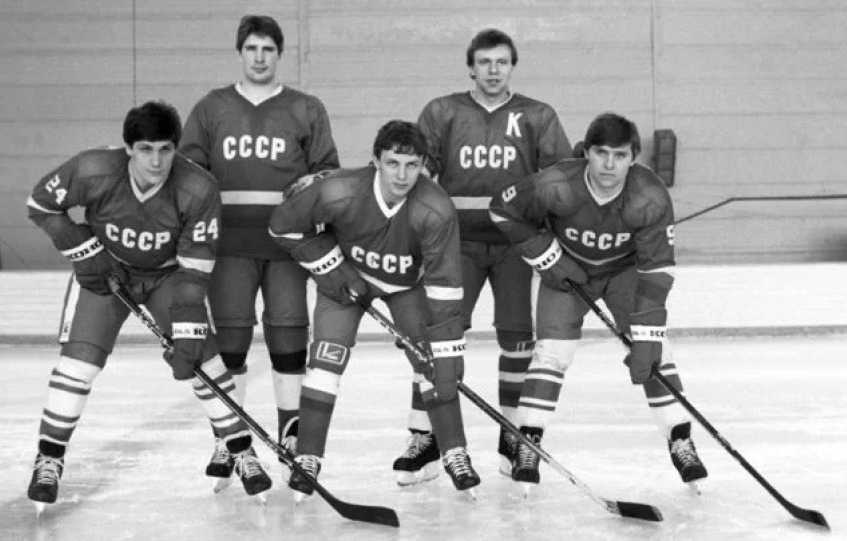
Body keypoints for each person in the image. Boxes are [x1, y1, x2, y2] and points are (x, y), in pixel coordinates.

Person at [24, 100, 272, 513]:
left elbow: (194, 270)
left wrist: (188, 332)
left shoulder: (199, 188)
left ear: (176, 148)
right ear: (128, 148)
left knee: (204, 358)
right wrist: (82, 249)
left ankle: (241, 449)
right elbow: (40, 204)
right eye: (145, 149)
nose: (156, 161)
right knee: (78, 364)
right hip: (106, 272)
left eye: (165, 149)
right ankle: (49, 458)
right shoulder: (92, 169)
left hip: (168, 276)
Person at [488, 112, 708, 491]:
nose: (609, 164)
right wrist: (547, 256)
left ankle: (680, 439)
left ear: (634, 158)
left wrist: (647, 336)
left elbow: (657, 271)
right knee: (551, 353)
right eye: (601, 153)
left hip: (624, 273)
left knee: (656, 351)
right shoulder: (557, 183)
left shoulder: (650, 195)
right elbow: (502, 209)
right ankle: (528, 442)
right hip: (568, 270)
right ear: (585, 152)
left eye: (620, 155)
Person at [268, 120, 480, 499]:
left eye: (412, 165)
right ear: (375, 161)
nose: (401, 175)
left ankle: (454, 451)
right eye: (393, 163)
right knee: (326, 360)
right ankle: (308, 455)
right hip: (346, 279)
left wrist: (448, 350)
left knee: (434, 362)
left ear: (423, 166)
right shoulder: (339, 190)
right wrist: (331, 267)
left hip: (406, 286)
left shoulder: (436, 209)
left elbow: (445, 283)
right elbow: (283, 226)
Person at [398, 28, 572, 484]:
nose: (493, 70)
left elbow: (560, 179)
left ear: (512, 67)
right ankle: (425, 438)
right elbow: (416, 176)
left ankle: (512, 438)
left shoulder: (537, 115)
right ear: (470, 68)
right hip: (456, 246)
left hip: (516, 246)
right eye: (484, 62)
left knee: (518, 342)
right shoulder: (442, 112)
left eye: (502, 62)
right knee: (437, 339)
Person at [179, 14, 340, 485]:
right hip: (228, 245)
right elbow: (187, 172)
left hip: (287, 247)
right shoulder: (211, 108)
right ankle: (229, 438)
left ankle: (292, 434)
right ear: (240, 53)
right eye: (252, 48)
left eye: (268, 49)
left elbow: (327, 172)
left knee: (288, 341)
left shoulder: (306, 108)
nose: (260, 57)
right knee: (230, 344)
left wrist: (313, 193)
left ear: (279, 54)